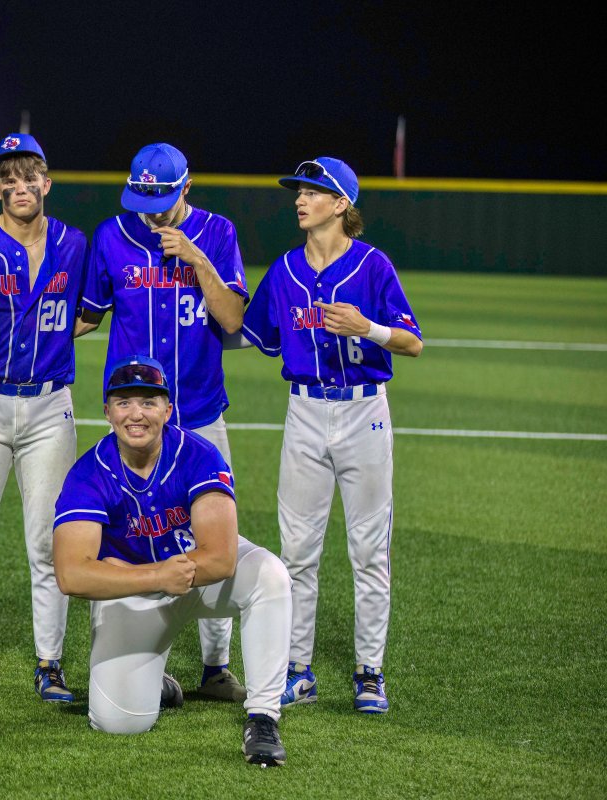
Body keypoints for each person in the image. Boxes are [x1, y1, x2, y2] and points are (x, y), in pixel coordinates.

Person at [240, 157, 423, 713]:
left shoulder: (372, 265)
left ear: (342, 203)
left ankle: (370, 673)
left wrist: (368, 328)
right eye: (298, 191)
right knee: (297, 551)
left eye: (313, 191)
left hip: (365, 415)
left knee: (369, 550)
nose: (300, 199)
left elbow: (413, 342)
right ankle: (298, 670)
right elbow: (250, 334)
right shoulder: (285, 270)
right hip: (304, 413)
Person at [52, 356, 291, 766]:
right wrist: (155, 576)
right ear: (107, 412)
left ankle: (263, 715)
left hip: (196, 578)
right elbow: (71, 574)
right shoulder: (88, 473)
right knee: (118, 722)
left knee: (270, 575)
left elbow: (221, 559)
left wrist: (138, 571)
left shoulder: (198, 454)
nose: (136, 414)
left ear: (167, 410)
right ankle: (156, 684)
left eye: (148, 402)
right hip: (136, 593)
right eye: (124, 403)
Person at [79, 143, 249, 701]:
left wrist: (198, 259)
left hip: (200, 414)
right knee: (129, 538)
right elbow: (86, 317)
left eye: (162, 201)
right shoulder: (111, 236)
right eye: (143, 201)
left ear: (187, 187)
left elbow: (233, 321)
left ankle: (215, 667)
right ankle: (138, 659)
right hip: (134, 419)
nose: (151, 214)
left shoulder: (217, 233)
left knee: (212, 539)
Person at [0, 134, 90, 702]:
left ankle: (50, 662)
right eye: (8, 179)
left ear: (46, 183)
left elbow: (90, 314)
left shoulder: (74, 244)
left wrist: (48, 338)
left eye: (29, 177)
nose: (19, 186)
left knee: (48, 543)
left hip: (50, 408)